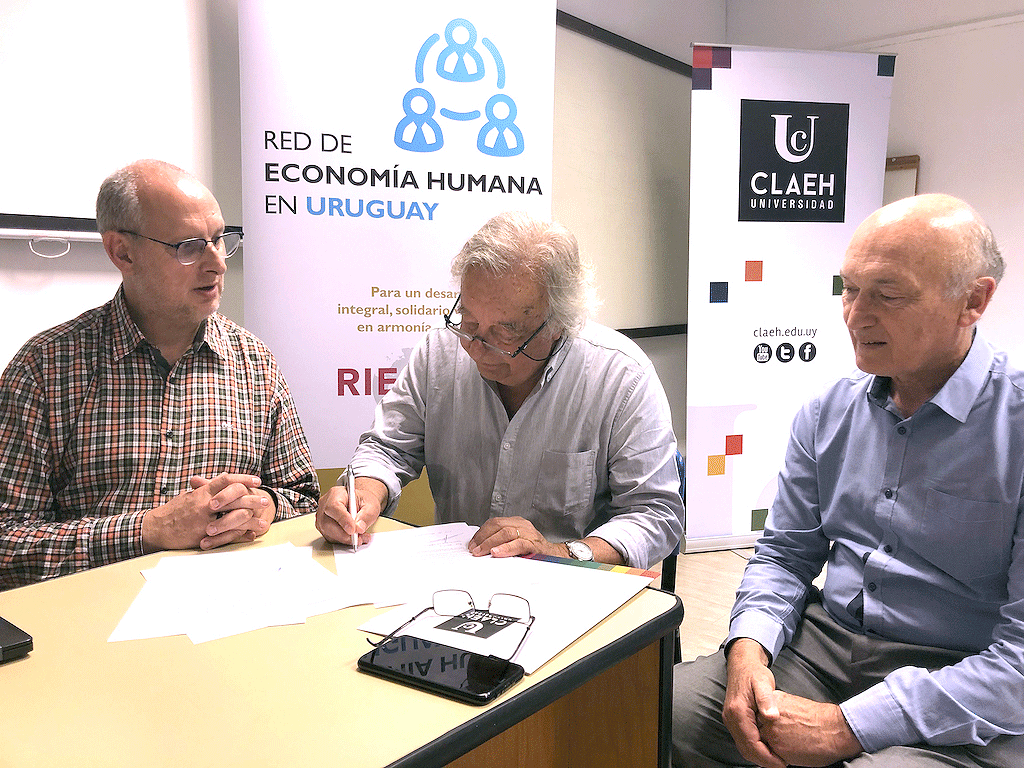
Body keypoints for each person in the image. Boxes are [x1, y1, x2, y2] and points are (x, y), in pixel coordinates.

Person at [672, 193, 1024, 767]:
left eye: (888, 295)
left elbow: (1019, 661)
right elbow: (785, 555)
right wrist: (748, 647)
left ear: (973, 301)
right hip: (826, 647)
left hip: (960, 677)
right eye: (850, 289)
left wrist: (850, 726)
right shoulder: (828, 411)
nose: (856, 317)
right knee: (669, 709)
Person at [0, 159, 319, 590]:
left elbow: (302, 497)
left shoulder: (255, 364)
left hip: (231, 603)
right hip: (93, 612)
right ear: (122, 252)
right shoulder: (46, 368)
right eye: (189, 246)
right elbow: (7, 540)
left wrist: (261, 506)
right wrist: (149, 530)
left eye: (219, 240)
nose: (217, 264)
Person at [315, 211, 683, 569]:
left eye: (506, 332)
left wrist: (562, 552)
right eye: (469, 320)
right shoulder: (438, 354)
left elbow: (655, 515)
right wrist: (364, 493)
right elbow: (389, 448)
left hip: (570, 585)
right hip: (455, 582)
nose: (476, 347)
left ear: (558, 323)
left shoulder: (621, 378)